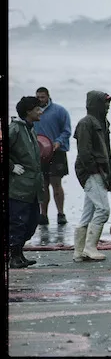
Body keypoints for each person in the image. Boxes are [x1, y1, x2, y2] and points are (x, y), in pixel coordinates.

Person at [73, 91, 111, 262]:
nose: (108, 106)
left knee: (88, 212)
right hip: (91, 171)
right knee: (103, 210)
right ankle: (90, 247)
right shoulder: (85, 123)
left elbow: (107, 152)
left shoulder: (103, 123)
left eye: (109, 103)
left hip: (101, 171)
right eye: (105, 103)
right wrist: (93, 170)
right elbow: (84, 151)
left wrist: (110, 177)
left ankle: (79, 250)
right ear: (95, 104)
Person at [8, 96, 45, 268]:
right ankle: (14, 256)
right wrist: (11, 166)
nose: (41, 111)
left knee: (32, 222)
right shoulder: (15, 129)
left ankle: (19, 253)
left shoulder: (30, 129)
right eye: (37, 109)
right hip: (19, 187)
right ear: (28, 112)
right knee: (18, 223)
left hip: (33, 187)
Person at [33, 87, 71, 225]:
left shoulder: (60, 111)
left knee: (56, 183)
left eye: (42, 97)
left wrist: (58, 142)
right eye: (38, 97)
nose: (40, 100)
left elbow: (67, 131)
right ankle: (43, 214)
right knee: (43, 185)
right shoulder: (33, 112)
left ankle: (61, 213)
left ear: (48, 96)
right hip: (39, 153)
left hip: (57, 152)